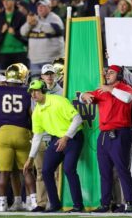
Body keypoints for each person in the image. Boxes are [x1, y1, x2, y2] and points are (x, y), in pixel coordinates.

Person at [80, 65, 132, 213]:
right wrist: (84, 96)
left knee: (122, 169)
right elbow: (84, 96)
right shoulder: (103, 90)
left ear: (119, 75)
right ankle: (105, 203)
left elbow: (128, 98)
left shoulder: (125, 88)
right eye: (107, 73)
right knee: (104, 171)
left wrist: (110, 89)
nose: (107, 75)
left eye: (111, 72)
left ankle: (130, 203)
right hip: (104, 135)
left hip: (121, 132)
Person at [0, 63, 37, 212]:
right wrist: (36, 133)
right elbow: (34, 116)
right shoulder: (27, 92)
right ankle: (33, 201)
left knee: (4, 171)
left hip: (3, 134)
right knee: (26, 170)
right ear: (23, 77)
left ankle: (3, 203)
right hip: (22, 133)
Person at [23, 79, 84, 213]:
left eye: (36, 91)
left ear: (43, 90)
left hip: (73, 137)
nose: (33, 95)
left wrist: (66, 137)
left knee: (69, 169)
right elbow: (37, 136)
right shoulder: (37, 111)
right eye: (31, 92)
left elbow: (78, 118)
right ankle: (55, 205)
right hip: (58, 139)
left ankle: (78, 206)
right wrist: (30, 158)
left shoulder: (58, 101)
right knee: (46, 171)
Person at [20, 0, 64, 74]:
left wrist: (37, 24)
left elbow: (53, 30)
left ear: (49, 8)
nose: (40, 8)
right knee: (36, 83)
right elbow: (22, 32)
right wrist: (29, 24)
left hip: (51, 60)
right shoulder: (34, 19)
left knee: (51, 83)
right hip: (34, 60)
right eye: (39, 6)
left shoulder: (55, 18)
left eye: (43, 6)